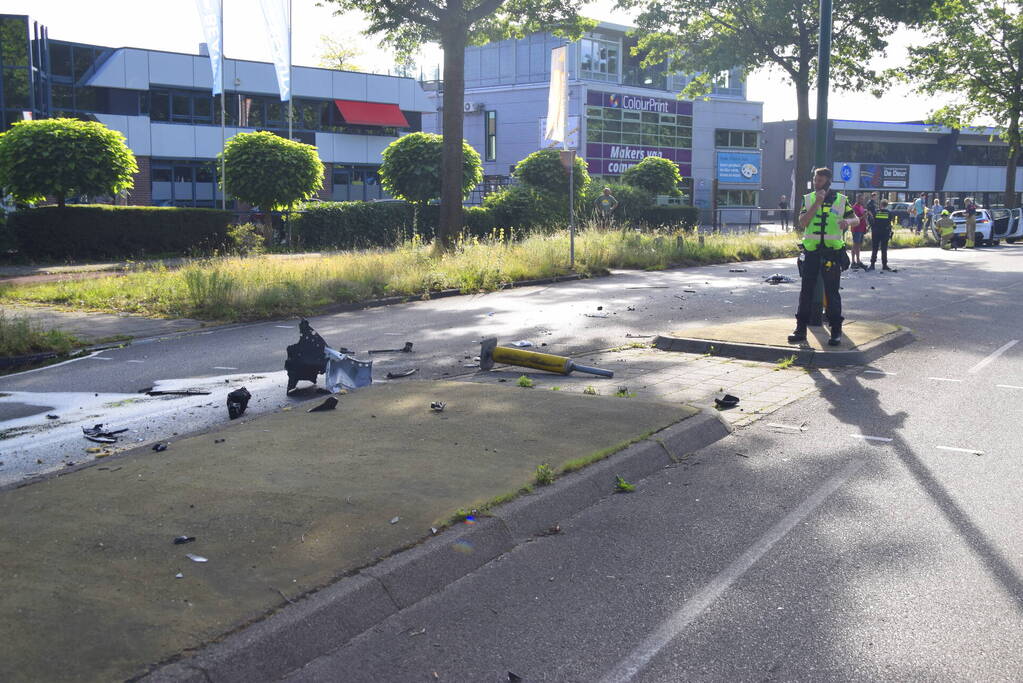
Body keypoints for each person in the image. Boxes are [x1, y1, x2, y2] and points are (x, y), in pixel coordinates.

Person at [788, 167, 856, 347]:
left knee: (832, 293)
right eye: (815, 179)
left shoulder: (841, 200)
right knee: (806, 292)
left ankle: (835, 331)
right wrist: (817, 203)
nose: (816, 182)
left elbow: (855, 219)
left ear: (827, 181)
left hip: (832, 254)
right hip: (811, 253)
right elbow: (803, 222)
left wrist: (847, 222)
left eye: (819, 180)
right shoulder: (809, 199)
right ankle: (800, 329)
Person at [867, 199, 895, 270]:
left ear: (881, 204)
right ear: (887, 205)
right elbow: (890, 223)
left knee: (875, 249)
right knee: (884, 249)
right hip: (885, 233)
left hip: (876, 232)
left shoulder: (875, 212)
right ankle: (884, 265)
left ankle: (872, 265)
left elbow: (871, 221)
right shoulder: (889, 213)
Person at [850, 194, 869, 268]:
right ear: (857, 199)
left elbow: (863, 218)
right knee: (855, 245)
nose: (863, 200)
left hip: (861, 228)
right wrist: (864, 216)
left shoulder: (861, 207)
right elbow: (855, 219)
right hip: (856, 228)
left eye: (863, 199)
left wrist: (866, 223)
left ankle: (858, 261)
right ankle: (853, 262)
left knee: (858, 245)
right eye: (861, 199)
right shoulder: (855, 207)